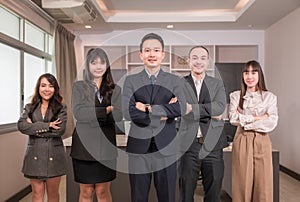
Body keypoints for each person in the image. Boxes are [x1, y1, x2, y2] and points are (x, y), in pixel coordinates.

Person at [122, 33, 186, 202]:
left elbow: (181, 108)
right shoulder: (131, 81)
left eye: (156, 50)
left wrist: (149, 109)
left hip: (167, 147)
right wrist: (166, 112)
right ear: (141, 55)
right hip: (138, 148)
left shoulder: (175, 81)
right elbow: (127, 112)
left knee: (167, 196)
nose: (152, 54)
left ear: (163, 54)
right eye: (148, 50)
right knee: (138, 196)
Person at [70, 48, 122, 202]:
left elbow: (118, 115)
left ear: (107, 65)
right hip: (83, 149)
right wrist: (105, 110)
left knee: (102, 192)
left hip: (106, 148)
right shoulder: (79, 87)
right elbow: (79, 113)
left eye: (102, 62)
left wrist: (92, 114)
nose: (98, 66)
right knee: (86, 192)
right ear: (88, 65)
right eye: (94, 62)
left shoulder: (115, 90)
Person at [178, 46, 228, 202]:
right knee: (186, 191)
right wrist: (209, 111)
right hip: (188, 145)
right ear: (188, 61)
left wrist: (191, 108)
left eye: (202, 58)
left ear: (208, 62)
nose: (198, 61)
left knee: (213, 192)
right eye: (194, 58)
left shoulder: (217, 84)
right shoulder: (179, 84)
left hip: (213, 145)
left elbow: (219, 107)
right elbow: (178, 109)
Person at [228, 60, 278, 202]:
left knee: (264, 184)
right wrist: (259, 117)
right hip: (242, 139)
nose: (250, 76)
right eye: (246, 72)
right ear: (242, 76)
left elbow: (271, 122)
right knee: (242, 183)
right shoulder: (235, 96)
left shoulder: (270, 97)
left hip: (262, 139)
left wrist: (246, 120)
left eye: (253, 72)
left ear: (259, 75)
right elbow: (233, 118)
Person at [17, 73, 67, 202]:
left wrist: (33, 127)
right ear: (38, 88)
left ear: (55, 89)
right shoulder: (29, 107)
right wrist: (48, 125)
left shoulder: (61, 108)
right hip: (35, 154)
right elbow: (22, 126)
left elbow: (59, 131)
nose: (47, 89)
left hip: (54, 155)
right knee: (37, 195)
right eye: (43, 85)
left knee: (53, 195)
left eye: (51, 86)